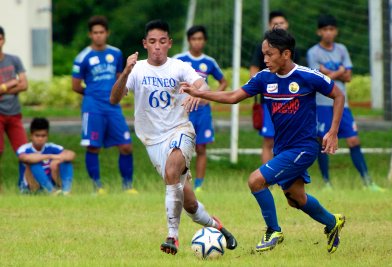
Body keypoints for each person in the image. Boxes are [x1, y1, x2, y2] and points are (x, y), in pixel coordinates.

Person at [182, 28, 346, 254]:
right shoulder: (263, 78)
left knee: (255, 181)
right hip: (282, 148)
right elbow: (232, 96)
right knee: (296, 199)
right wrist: (200, 93)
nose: (265, 59)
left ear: (286, 54)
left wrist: (333, 131)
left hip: (304, 148)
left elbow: (338, 95)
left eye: (270, 54)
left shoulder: (308, 76)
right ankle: (332, 222)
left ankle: (273, 231)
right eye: (263, 54)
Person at [110, 19, 237, 255]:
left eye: (161, 41)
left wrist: (199, 92)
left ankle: (172, 236)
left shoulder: (179, 67)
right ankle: (218, 227)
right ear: (145, 44)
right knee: (189, 203)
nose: (157, 46)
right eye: (152, 42)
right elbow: (114, 99)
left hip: (181, 130)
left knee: (171, 172)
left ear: (169, 43)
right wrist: (125, 71)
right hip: (152, 141)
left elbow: (202, 82)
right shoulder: (136, 70)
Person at [307, 14, 384, 191]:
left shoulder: (342, 49)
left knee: (353, 140)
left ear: (336, 31)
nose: (328, 33)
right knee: (323, 142)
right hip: (323, 104)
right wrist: (338, 71)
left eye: (331, 29)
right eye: (325, 29)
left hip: (342, 104)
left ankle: (367, 182)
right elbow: (318, 78)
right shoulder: (313, 52)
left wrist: (329, 73)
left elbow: (348, 76)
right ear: (319, 32)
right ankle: (327, 183)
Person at [72, 16, 136, 194]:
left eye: (101, 32)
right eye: (95, 33)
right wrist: (93, 94)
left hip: (113, 106)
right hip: (93, 108)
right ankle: (97, 186)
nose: (98, 36)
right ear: (90, 35)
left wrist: (121, 90)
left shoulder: (116, 53)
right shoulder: (82, 57)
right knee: (93, 146)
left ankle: (128, 186)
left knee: (126, 145)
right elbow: (75, 85)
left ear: (107, 33)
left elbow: (119, 77)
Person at [174, 25, 228, 192]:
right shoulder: (179, 59)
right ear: (189, 41)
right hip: (184, 110)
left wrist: (210, 96)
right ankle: (180, 181)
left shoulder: (209, 62)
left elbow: (223, 82)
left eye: (200, 39)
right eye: (194, 39)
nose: (197, 42)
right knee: (180, 148)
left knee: (201, 147)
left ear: (204, 41)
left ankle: (199, 185)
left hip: (203, 111)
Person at [249, 11, 301, 165]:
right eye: (275, 23)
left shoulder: (292, 49)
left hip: (292, 103)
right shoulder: (263, 47)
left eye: (282, 23)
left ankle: (287, 176)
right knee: (269, 141)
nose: (279, 26)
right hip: (270, 103)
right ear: (269, 26)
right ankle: (267, 178)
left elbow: (299, 75)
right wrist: (262, 84)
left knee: (290, 141)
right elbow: (253, 71)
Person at [0, 26, 28, 190]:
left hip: (14, 112)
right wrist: (10, 83)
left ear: (4, 40)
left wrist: (2, 88)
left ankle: (24, 184)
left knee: (24, 152)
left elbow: (24, 84)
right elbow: (17, 82)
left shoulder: (14, 60)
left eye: (0, 38)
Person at [17, 118, 75, 195]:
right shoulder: (25, 148)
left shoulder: (52, 147)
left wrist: (58, 160)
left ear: (47, 136)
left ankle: (66, 191)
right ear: (31, 136)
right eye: (37, 136)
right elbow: (24, 158)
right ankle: (51, 191)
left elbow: (71, 154)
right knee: (33, 163)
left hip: (51, 182)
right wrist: (50, 156)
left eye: (43, 136)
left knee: (65, 161)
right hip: (31, 186)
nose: (40, 139)